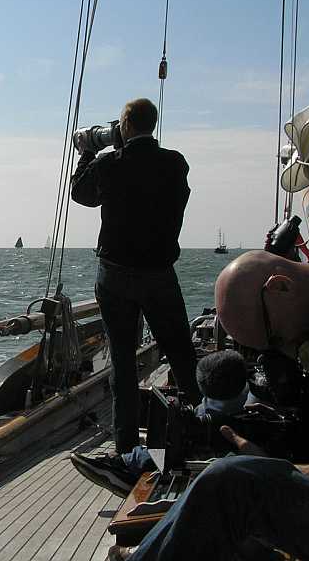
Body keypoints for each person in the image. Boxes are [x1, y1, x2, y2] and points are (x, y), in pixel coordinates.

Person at [125, 248, 309, 561]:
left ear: (280, 287)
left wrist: (273, 469)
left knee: (231, 485)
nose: (289, 353)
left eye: (277, 339)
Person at [71, 98, 200, 457]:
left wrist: (86, 151)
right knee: (181, 355)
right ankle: (206, 425)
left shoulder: (111, 163)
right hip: (160, 274)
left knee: (124, 362)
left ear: (124, 125)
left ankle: (126, 447)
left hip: (116, 277)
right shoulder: (176, 164)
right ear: (152, 124)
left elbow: (80, 193)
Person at [70, 350, 255, 498]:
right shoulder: (249, 398)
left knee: (164, 446)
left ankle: (124, 466)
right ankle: (125, 465)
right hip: (226, 447)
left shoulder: (206, 410)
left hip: (199, 451)